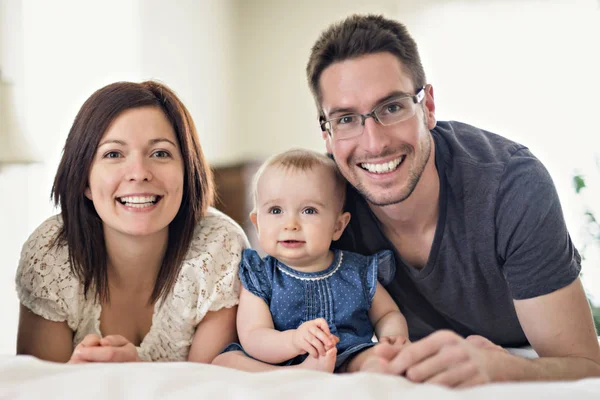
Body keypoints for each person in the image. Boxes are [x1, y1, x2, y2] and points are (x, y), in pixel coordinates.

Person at [305, 14, 600, 385]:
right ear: (327, 135)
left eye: (393, 107)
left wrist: (501, 369)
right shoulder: (324, 202)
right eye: (346, 119)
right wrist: (361, 361)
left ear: (427, 106)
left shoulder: (512, 186)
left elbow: (586, 367)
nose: (374, 143)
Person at [15, 81, 248, 363]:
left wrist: (138, 374)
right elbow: (39, 388)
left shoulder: (219, 246)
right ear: (84, 179)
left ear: (187, 172)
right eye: (113, 154)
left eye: (160, 153)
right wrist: (71, 380)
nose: (139, 173)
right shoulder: (50, 252)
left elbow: (211, 388)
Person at [213, 149, 410, 373]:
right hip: (276, 360)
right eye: (276, 210)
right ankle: (292, 375)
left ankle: (346, 369)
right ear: (258, 224)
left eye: (309, 210)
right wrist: (295, 341)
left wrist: (393, 337)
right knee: (225, 361)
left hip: (344, 355)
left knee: (376, 358)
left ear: (338, 226)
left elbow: (387, 314)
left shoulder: (358, 271)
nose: (291, 224)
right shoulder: (260, 276)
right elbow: (254, 335)